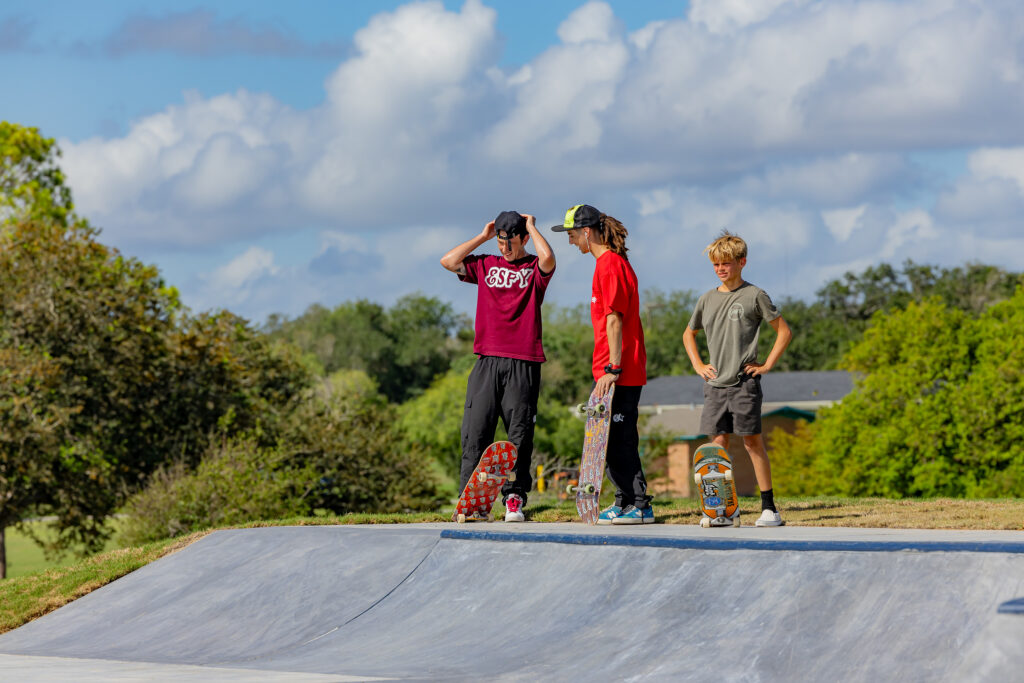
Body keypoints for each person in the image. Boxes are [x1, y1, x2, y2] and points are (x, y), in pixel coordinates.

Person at [440, 211, 556, 522]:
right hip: (486, 360)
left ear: (524, 239)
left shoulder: (533, 267)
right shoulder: (485, 264)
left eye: (511, 242)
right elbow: (448, 262)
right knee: (475, 430)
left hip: (523, 360)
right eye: (501, 241)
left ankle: (514, 498)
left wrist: (532, 225)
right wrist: (483, 236)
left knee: (519, 433)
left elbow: (549, 259)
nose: (505, 247)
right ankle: (471, 501)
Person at [682, 230, 793, 527]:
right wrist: (698, 364)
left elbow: (784, 331)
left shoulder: (755, 295)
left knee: (752, 442)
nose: (721, 269)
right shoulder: (706, 299)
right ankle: (722, 512)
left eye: (727, 263)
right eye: (716, 264)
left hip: (745, 383)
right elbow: (688, 333)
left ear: (742, 262)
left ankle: (769, 509)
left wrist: (767, 364)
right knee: (716, 446)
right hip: (715, 385)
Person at [551, 204, 653, 524]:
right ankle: (623, 501)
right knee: (606, 441)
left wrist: (612, 368)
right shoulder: (608, 264)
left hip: (619, 371)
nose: (570, 242)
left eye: (571, 235)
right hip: (612, 370)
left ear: (586, 231)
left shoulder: (609, 265)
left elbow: (614, 319)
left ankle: (640, 504)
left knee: (621, 439)